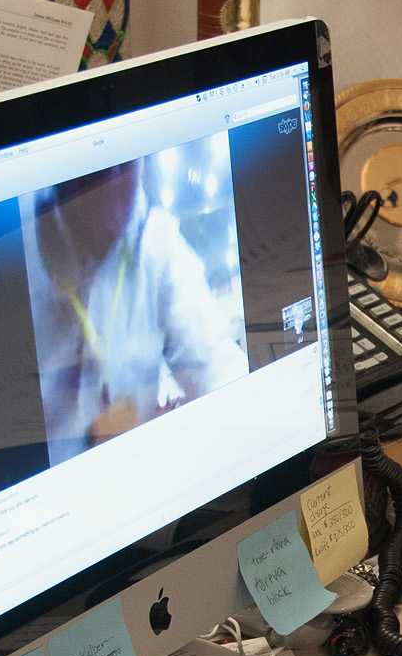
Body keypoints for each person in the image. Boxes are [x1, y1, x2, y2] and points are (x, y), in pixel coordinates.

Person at [22, 160, 248, 466]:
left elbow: (215, 361)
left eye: (126, 167)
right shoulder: (18, 251)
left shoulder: (154, 238)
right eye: (98, 171)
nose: (116, 183)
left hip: (139, 483)